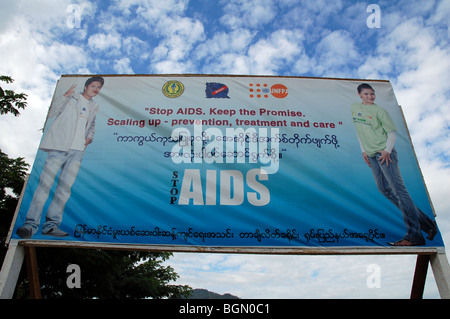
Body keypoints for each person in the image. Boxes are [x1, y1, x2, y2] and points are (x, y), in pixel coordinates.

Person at [16, 77, 104, 239]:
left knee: (64, 189)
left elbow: (91, 126)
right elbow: (52, 113)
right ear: (86, 86)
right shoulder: (71, 98)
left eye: (99, 87)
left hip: (77, 152)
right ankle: (30, 224)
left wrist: (88, 139)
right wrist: (65, 95)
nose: (96, 89)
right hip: (59, 147)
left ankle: (51, 226)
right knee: (45, 185)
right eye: (94, 86)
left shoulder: (94, 106)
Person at [351, 83, 437, 246]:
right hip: (371, 155)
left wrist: (387, 150)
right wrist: (363, 150)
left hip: (384, 153)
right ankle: (428, 225)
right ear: (359, 94)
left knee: (399, 190)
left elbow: (391, 133)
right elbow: (359, 129)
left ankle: (414, 236)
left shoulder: (380, 111)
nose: (370, 97)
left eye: (372, 94)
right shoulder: (355, 108)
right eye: (367, 94)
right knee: (384, 189)